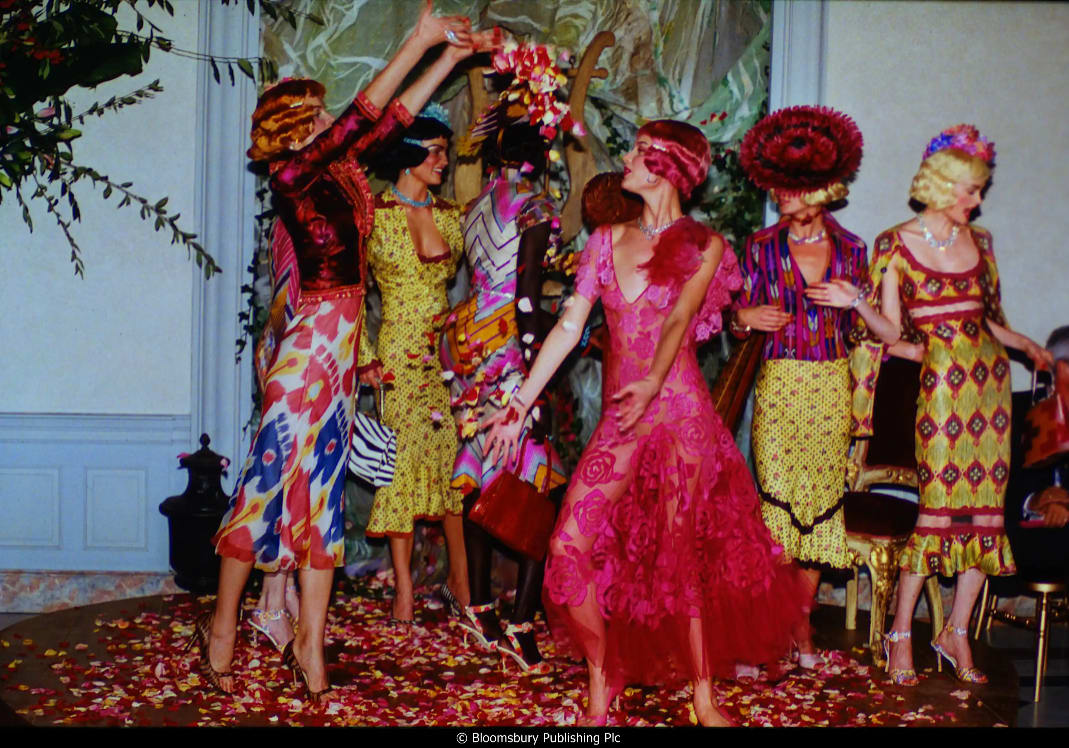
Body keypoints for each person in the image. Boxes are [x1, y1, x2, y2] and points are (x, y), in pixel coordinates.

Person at [191, 4, 484, 703]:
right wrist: (417, 36)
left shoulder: (340, 168)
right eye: (318, 117)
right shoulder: (293, 176)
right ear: (295, 132)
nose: (330, 123)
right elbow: (365, 116)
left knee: (321, 509)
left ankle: (308, 644)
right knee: (264, 493)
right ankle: (226, 626)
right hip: (304, 357)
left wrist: (449, 57)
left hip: (342, 359)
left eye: (326, 117)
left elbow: (386, 123)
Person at [484, 121, 809, 726]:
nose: (626, 160)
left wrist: (656, 379)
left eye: (638, 152)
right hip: (622, 422)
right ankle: (604, 673)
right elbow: (567, 329)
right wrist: (520, 401)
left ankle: (704, 697)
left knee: (681, 556)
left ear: (665, 166)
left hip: (680, 413)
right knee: (566, 547)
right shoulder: (605, 240)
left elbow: (681, 319)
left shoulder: (705, 245)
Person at [811, 124, 1053, 686]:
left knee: (986, 519)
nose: (977, 200)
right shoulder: (894, 245)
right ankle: (900, 633)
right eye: (968, 189)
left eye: (978, 190)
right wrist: (858, 304)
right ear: (941, 185)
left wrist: (1027, 347)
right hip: (941, 392)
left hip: (990, 390)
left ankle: (956, 631)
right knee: (938, 513)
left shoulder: (983, 243)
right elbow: (888, 331)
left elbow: (991, 320)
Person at [732, 106, 867, 668]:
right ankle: (776, 626)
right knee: (779, 513)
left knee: (819, 512)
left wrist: (852, 302)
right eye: (777, 187)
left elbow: (871, 332)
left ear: (823, 189)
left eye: (791, 188)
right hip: (781, 386)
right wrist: (747, 318)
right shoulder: (760, 246)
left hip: (832, 386)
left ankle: (801, 627)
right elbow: (732, 319)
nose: (780, 196)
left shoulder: (855, 249)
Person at [440, 102, 568, 672]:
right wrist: (538, 366)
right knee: (540, 482)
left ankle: (482, 609)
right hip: (507, 348)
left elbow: (477, 281)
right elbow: (523, 296)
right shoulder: (537, 207)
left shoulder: (471, 209)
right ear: (537, 160)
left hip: (465, 341)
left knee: (479, 471)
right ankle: (521, 623)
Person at [357, 102, 470, 624]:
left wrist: (421, 206)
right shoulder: (373, 216)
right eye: (436, 151)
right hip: (397, 357)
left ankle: (461, 578)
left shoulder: (451, 216)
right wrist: (363, 360)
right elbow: (353, 293)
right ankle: (403, 588)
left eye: (445, 152)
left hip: (444, 360)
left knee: (452, 466)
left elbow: (454, 274)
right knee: (397, 470)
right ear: (409, 154)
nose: (444, 161)